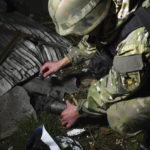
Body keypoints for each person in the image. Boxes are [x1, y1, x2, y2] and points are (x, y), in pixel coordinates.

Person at [40, 0, 150, 137]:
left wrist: (79, 110)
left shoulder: (134, 43)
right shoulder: (113, 6)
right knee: (100, 60)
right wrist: (63, 62)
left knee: (118, 117)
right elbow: (96, 39)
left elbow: (120, 86)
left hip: (137, 55)